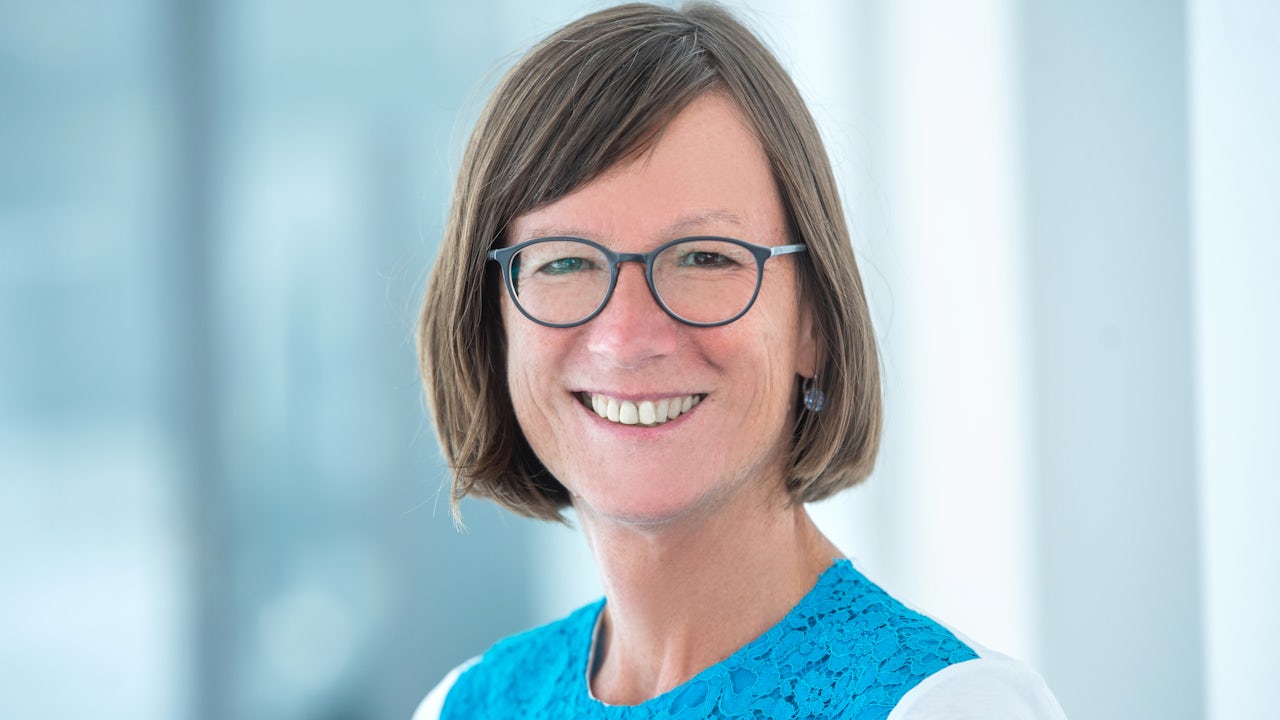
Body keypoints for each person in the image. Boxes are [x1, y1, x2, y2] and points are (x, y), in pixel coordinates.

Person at [414, 3, 1066, 718]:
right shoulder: (462, 704)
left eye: (704, 257)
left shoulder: (951, 708)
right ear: (491, 323)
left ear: (813, 325)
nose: (626, 337)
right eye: (564, 261)